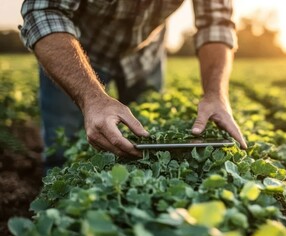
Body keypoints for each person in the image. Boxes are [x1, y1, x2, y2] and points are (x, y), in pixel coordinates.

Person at [19, 0, 247, 171]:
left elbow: (216, 22)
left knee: (146, 139)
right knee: (63, 149)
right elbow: (43, 11)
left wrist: (216, 94)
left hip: (145, 53)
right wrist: (91, 98)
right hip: (73, 53)